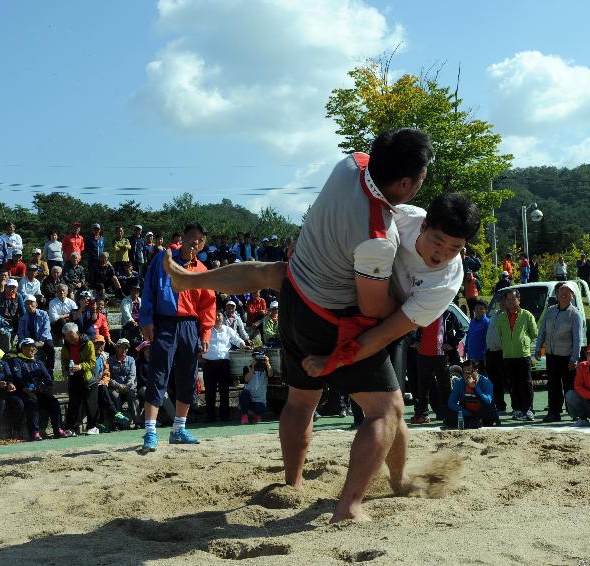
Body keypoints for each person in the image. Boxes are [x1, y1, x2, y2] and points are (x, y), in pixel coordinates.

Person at [162, 129, 448, 523]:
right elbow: (372, 305)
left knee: (300, 398)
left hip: (292, 295)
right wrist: (405, 308)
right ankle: (349, 506)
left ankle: (293, 482)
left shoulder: (350, 164)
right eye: (422, 176)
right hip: (326, 320)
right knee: (386, 410)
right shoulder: (377, 236)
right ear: (405, 183)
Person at [139, 222, 216, 451]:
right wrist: (146, 319)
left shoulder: (202, 269)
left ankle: (178, 429)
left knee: (188, 376)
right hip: (165, 322)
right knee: (158, 374)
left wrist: (206, 331)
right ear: (183, 238)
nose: (196, 242)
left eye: (201, 240)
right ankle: (150, 432)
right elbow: (149, 289)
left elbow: (208, 304)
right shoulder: (164, 259)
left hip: (190, 326)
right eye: (193, 237)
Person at [535, 283, 581, 422]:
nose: (563, 294)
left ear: (572, 296)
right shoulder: (550, 310)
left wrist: (575, 357)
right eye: (561, 291)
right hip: (551, 355)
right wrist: (538, 348)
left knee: (569, 386)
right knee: (553, 385)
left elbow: (577, 338)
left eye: (567, 292)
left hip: (567, 356)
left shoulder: (575, 314)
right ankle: (554, 412)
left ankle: (574, 412)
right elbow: (542, 330)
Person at [9, 338, 67, 439]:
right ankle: (34, 432)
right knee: (33, 403)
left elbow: (47, 377)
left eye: (34, 347)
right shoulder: (16, 361)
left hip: (39, 391)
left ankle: (58, 429)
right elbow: (18, 379)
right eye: (30, 346)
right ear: (23, 348)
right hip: (24, 392)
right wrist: (28, 391)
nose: (33, 349)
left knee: (54, 402)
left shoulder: (38, 362)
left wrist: (49, 388)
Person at [496, 289, 538, 421]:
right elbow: (500, 334)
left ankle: (528, 409)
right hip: (508, 356)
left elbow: (534, 333)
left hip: (523, 354)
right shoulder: (501, 317)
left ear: (519, 300)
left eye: (513, 299)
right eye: (508, 299)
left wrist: (523, 342)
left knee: (526, 383)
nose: (511, 302)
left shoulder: (527, 315)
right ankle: (517, 409)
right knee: (512, 384)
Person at [201, 311, 248, 422]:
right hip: (209, 363)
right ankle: (210, 416)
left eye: (219, 316)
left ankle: (224, 416)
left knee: (224, 390)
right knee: (209, 391)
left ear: (223, 318)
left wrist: (244, 345)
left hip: (224, 364)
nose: (217, 318)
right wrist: (199, 356)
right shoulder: (206, 329)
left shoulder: (228, 330)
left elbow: (237, 340)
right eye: (215, 316)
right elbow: (199, 343)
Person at [61, 322, 98, 435]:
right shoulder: (65, 346)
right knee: (74, 404)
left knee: (89, 403)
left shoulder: (88, 343)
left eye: (71, 336)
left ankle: (93, 427)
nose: (69, 339)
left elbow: (92, 362)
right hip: (74, 377)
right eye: (67, 337)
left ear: (77, 333)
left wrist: (81, 366)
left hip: (87, 377)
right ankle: (72, 428)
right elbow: (64, 360)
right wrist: (67, 368)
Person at [446, 359, 496, 428]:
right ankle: (472, 423)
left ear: (476, 371)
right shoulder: (459, 382)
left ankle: (473, 423)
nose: (467, 375)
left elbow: (487, 402)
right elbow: (451, 403)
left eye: (469, 372)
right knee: (448, 415)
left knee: (489, 410)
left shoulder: (486, 382)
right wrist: (467, 413)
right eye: (464, 373)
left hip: (483, 412)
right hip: (467, 412)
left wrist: (474, 387)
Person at [17, 294, 54, 371]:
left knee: (50, 346)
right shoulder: (23, 318)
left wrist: (42, 340)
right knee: (19, 347)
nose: (29, 305)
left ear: (36, 304)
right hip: (29, 338)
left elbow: (46, 328)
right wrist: (24, 341)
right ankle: (23, 368)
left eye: (31, 303)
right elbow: (20, 332)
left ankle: (50, 368)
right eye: (27, 303)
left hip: (43, 338)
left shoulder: (44, 314)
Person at [485, 295, 507, 414]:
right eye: (500, 302)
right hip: (491, 352)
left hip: (503, 352)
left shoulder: (508, 315)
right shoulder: (495, 314)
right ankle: (499, 405)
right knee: (494, 381)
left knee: (507, 381)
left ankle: (517, 407)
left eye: (504, 301)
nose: (502, 304)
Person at [107, 338, 138, 425]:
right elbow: (108, 377)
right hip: (115, 387)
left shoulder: (131, 360)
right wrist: (118, 385)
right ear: (117, 348)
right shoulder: (109, 360)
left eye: (126, 348)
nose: (125, 350)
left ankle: (137, 421)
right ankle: (119, 422)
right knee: (114, 395)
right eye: (122, 347)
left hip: (128, 387)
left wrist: (127, 386)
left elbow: (132, 376)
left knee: (131, 395)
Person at [240, 351, 273, 424]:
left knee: (260, 408)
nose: (258, 360)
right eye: (256, 358)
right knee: (244, 393)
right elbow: (246, 379)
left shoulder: (265, 369)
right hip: (249, 399)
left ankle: (257, 415)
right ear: (253, 358)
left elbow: (270, 374)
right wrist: (253, 367)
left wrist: (267, 363)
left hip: (259, 401)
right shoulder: (247, 367)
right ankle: (244, 416)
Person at [465, 301, 489, 365]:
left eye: (481, 308)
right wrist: (465, 349)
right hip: (471, 355)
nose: (478, 310)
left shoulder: (487, 323)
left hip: (482, 358)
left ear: (486, 310)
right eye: (476, 308)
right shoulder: (472, 321)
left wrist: (486, 354)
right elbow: (469, 335)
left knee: (481, 375)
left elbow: (488, 340)